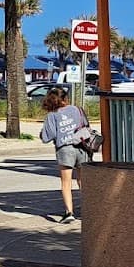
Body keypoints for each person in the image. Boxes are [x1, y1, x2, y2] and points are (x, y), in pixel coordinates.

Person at [39, 87, 89, 224]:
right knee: (82, 180)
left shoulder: (51, 115)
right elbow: (85, 124)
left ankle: (69, 213)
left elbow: (47, 137)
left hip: (64, 149)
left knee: (66, 183)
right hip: (81, 146)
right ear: (65, 98)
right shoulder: (76, 109)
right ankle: (89, 210)